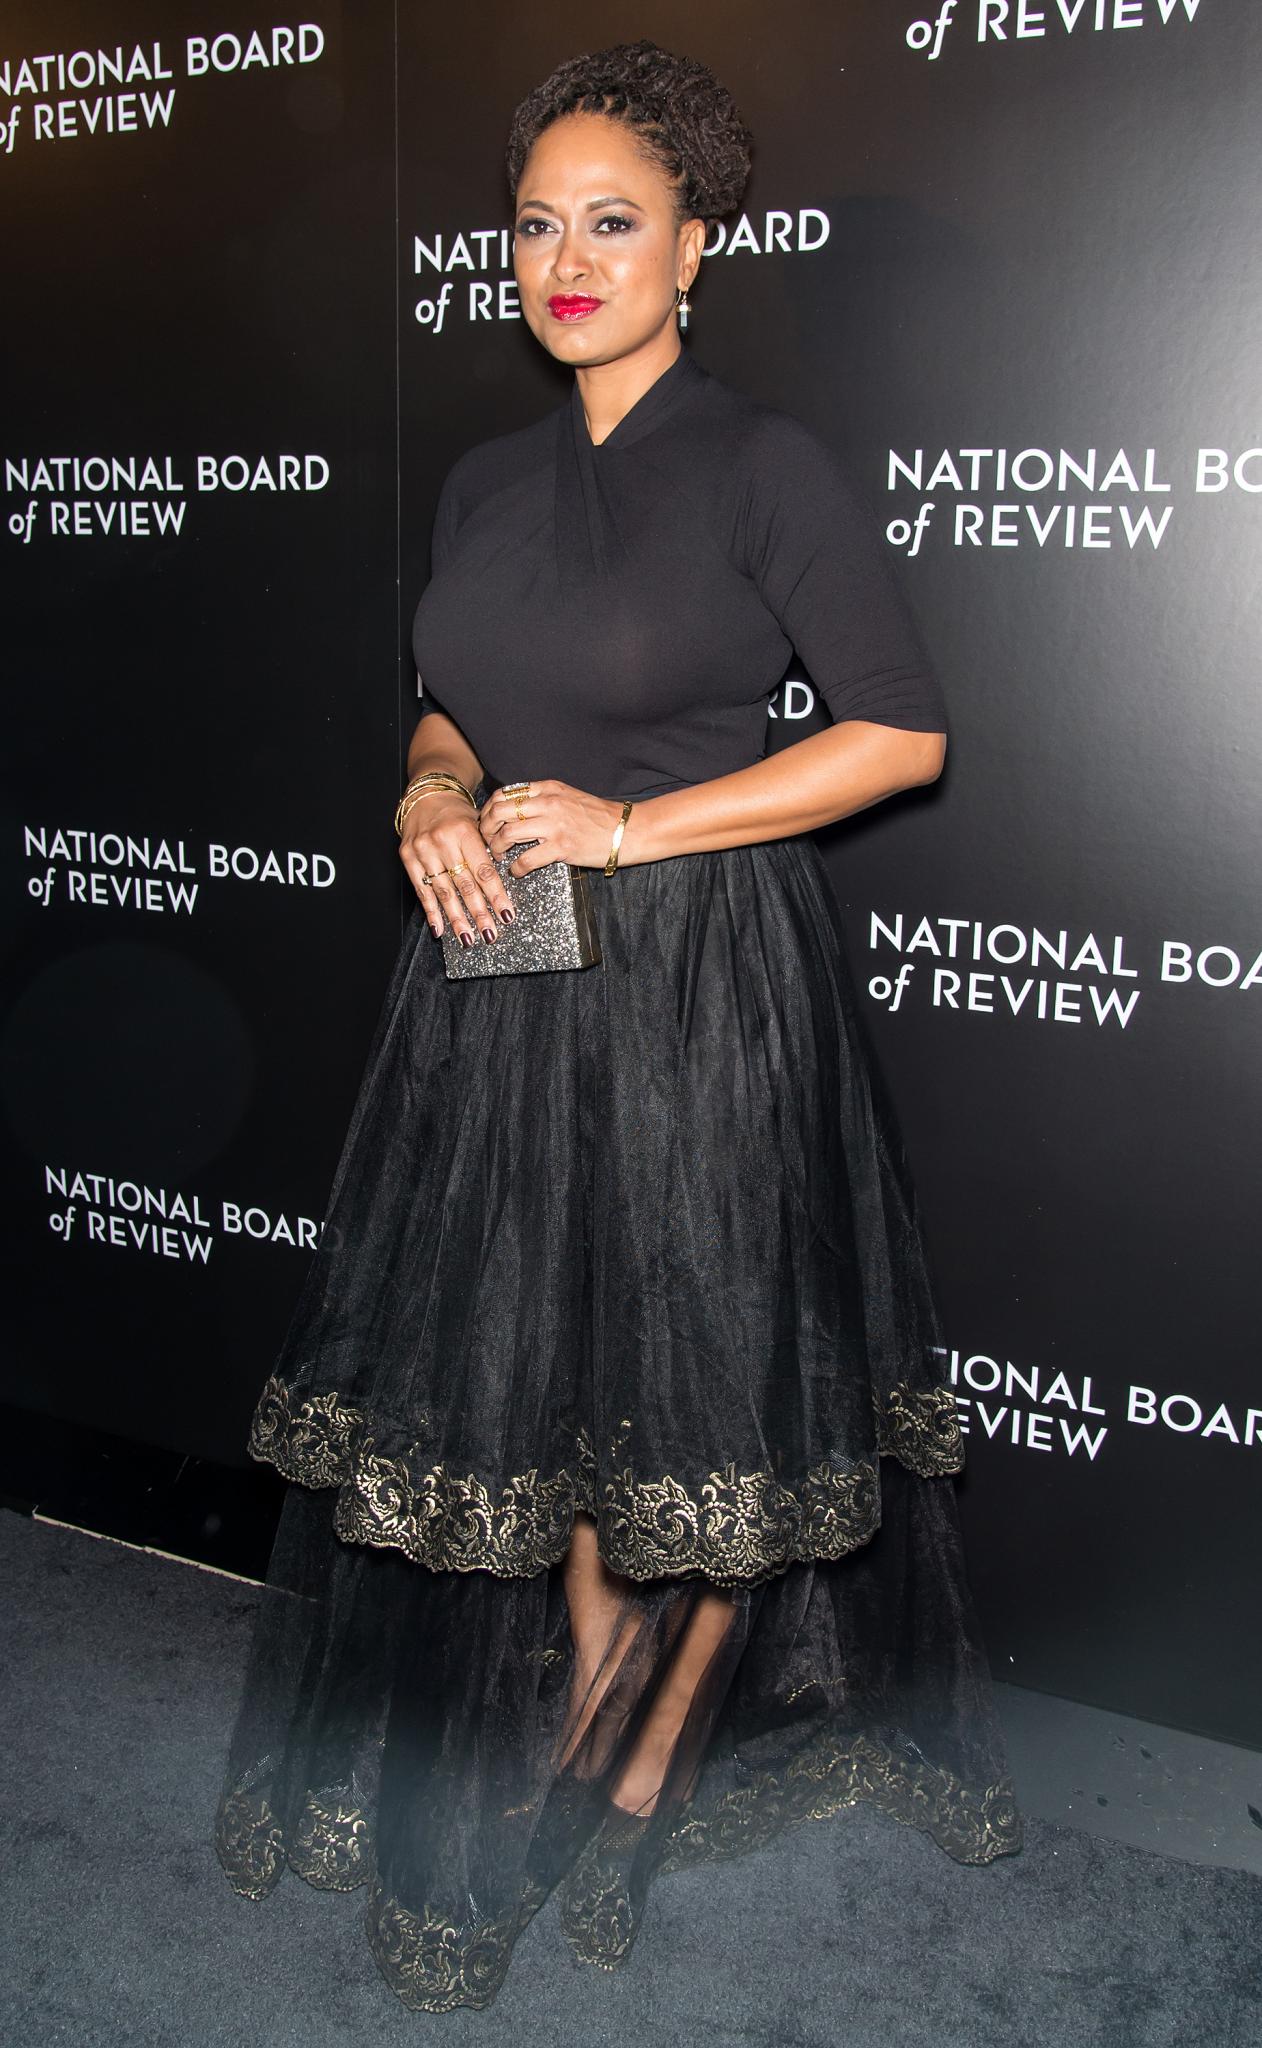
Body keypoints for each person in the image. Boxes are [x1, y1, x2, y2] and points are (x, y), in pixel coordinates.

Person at [214, 39, 1023, 2016]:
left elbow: (898, 733)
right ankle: (592, 1684)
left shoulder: (762, 465)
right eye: (534, 226)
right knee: (555, 1391)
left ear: (692, 250)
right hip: (500, 989)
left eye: (611, 223)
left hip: (699, 992)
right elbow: (449, 700)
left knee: (702, 1396)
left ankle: (633, 1766)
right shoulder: (487, 479)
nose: (565, 261)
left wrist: (633, 826)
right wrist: (429, 785)